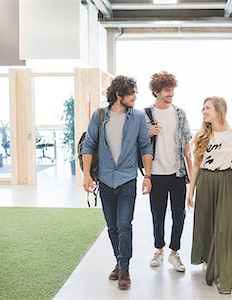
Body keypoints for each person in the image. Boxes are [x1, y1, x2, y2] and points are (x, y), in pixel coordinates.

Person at [82, 75, 153, 290]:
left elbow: (145, 147)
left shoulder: (139, 118)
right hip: (105, 179)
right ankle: (120, 261)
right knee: (111, 225)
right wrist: (86, 174)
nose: (135, 97)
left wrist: (148, 176)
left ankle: (124, 269)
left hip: (127, 179)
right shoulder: (100, 116)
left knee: (124, 225)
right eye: (131, 93)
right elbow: (89, 144)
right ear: (119, 95)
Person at [186, 96, 232, 294]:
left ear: (219, 110)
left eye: (207, 108)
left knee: (225, 229)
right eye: (203, 108)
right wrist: (191, 190)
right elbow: (196, 164)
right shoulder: (202, 135)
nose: (203, 111)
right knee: (206, 225)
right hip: (206, 181)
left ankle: (224, 279)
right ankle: (210, 264)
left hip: (228, 182)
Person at [145, 71, 193, 272]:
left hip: (177, 173)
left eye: (172, 88)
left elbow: (187, 148)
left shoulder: (180, 113)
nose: (171, 92)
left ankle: (174, 252)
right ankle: (158, 249)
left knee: (179, 215)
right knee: (158, 215)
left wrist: (193, 179)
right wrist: (148, 134)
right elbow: (139, 144)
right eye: (166, 89)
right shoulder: (146, 115)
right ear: (156, 91)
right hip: (156, 173)